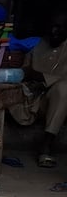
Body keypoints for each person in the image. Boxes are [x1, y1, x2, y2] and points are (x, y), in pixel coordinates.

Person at [9, 10, 67, 168]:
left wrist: (40, 76)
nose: (55, 31)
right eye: (53, 27)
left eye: (60, 27)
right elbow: (25, 70)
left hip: (55, 102)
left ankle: (47, 145)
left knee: (64, 89)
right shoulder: (39, 44)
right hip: (34, 98)